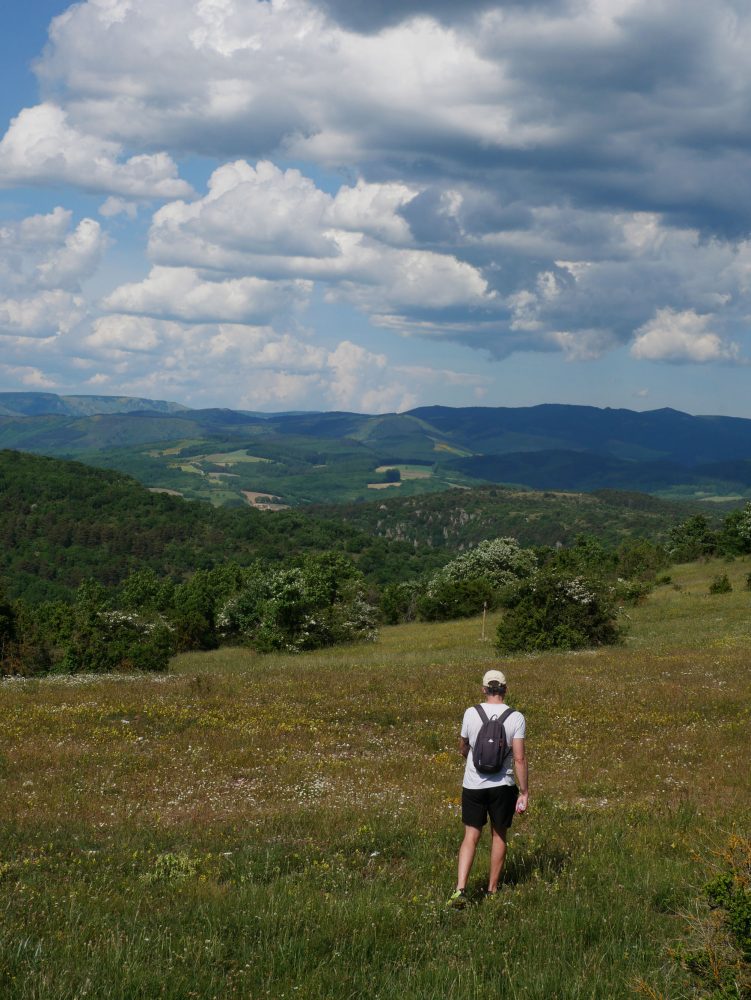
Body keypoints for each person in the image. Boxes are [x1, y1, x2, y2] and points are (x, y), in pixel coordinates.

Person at [447, 668, 528, 907]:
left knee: (470, 835)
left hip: (473, 784)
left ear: (484, 689)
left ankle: (461, 889)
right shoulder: (516, 717)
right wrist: (524, 792)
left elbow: (463, 746)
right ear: (505, 689)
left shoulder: (471, 713)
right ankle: (492, 890)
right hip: (503, 785)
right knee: (498, 834)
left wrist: (471, 760)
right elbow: (520, 759)